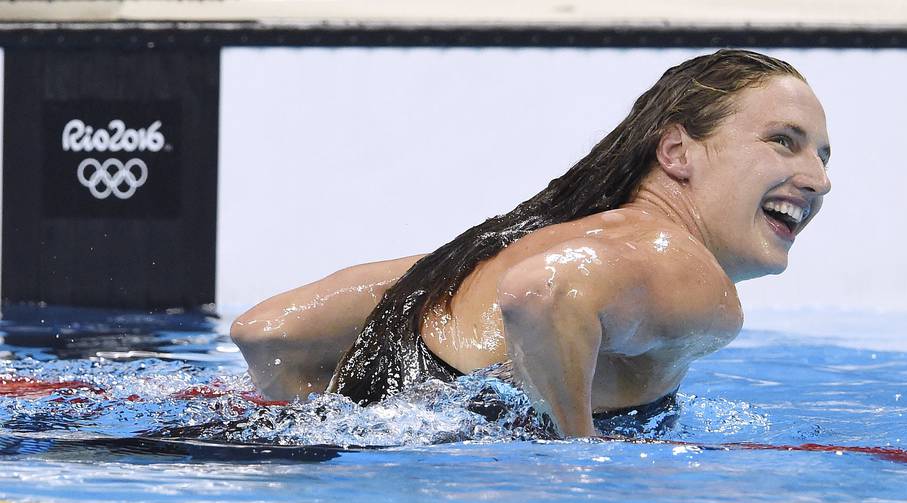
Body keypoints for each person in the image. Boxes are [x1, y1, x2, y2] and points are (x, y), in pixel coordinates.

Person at [230, 49, 831, 438]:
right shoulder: (690, 275)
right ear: (676, 152)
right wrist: (577, 458)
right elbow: (543, 293)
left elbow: (267, 331)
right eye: (784, 141)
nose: (819, 179)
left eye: (823, 157)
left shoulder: (490, 257)